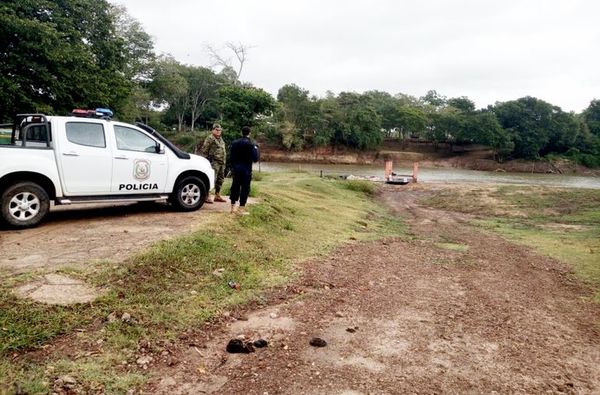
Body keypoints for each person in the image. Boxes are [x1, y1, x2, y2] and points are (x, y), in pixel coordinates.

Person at [229, 126, 259, 215]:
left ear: (241, 132)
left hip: (236, 169)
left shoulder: (234, 143)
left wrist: (234, 166)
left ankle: (232, 207)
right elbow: (255, 159)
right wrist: (256, 149)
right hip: (246, 170)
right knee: (245, 188)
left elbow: (231, 157)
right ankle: (241, 209)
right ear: (249, 133)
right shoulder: (251, 144)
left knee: (235, 187)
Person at [199, 123, 227, 203]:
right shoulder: (210, 138)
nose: (218, 131)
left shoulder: (220, 139)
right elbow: (204, 150)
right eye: (216, 130)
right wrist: (207, 161)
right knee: (212, 179)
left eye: (220, 130)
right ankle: (207, 196)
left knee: (220, 179)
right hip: (214, 162)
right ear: (213, 130)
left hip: (221, 162)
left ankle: (217, 195)